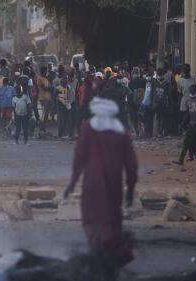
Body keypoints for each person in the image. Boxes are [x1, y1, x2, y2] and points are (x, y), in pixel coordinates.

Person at [64, 96, 138, 277]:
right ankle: (112, 260)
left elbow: (79, 156)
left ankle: (97, 256)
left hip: (92, 183)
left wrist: (72, 183)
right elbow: (131, 164)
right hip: (114, 185)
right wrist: (130, 188)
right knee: (112, 219)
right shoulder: (122, 132)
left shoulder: (89, 128)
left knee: (91, 219)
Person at [152, 68, 170, 137]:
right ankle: (156, 132)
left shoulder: (166, 82)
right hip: (156, 101)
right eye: (158, 72)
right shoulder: (154, 81)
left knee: (162, 117)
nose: (159, 73)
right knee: (157, 117)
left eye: (161, 72)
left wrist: (168, 102)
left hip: (163, 101)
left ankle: (161, 131)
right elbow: (151, 91)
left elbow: (168, 93)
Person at [128, 67, 145, 138]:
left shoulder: (133, 82)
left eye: (136, 72)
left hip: (138, 103)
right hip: (138, 103)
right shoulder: (142, 81)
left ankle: (139, 133)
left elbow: (129, 94)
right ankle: (140, 133)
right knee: (139, 118)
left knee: (137, 118)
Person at [37, 66, 53, 132]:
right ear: (43, 71)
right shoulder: (39, 78)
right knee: (44, 114)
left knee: (46, 114)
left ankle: (43, 128)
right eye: (46, 71)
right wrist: (50, 88)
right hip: (43, 98)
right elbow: (43, 88)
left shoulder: (45, 79)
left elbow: (50, 86)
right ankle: (41, 128)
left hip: (48, 98)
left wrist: (50, 88)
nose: (46, 72)